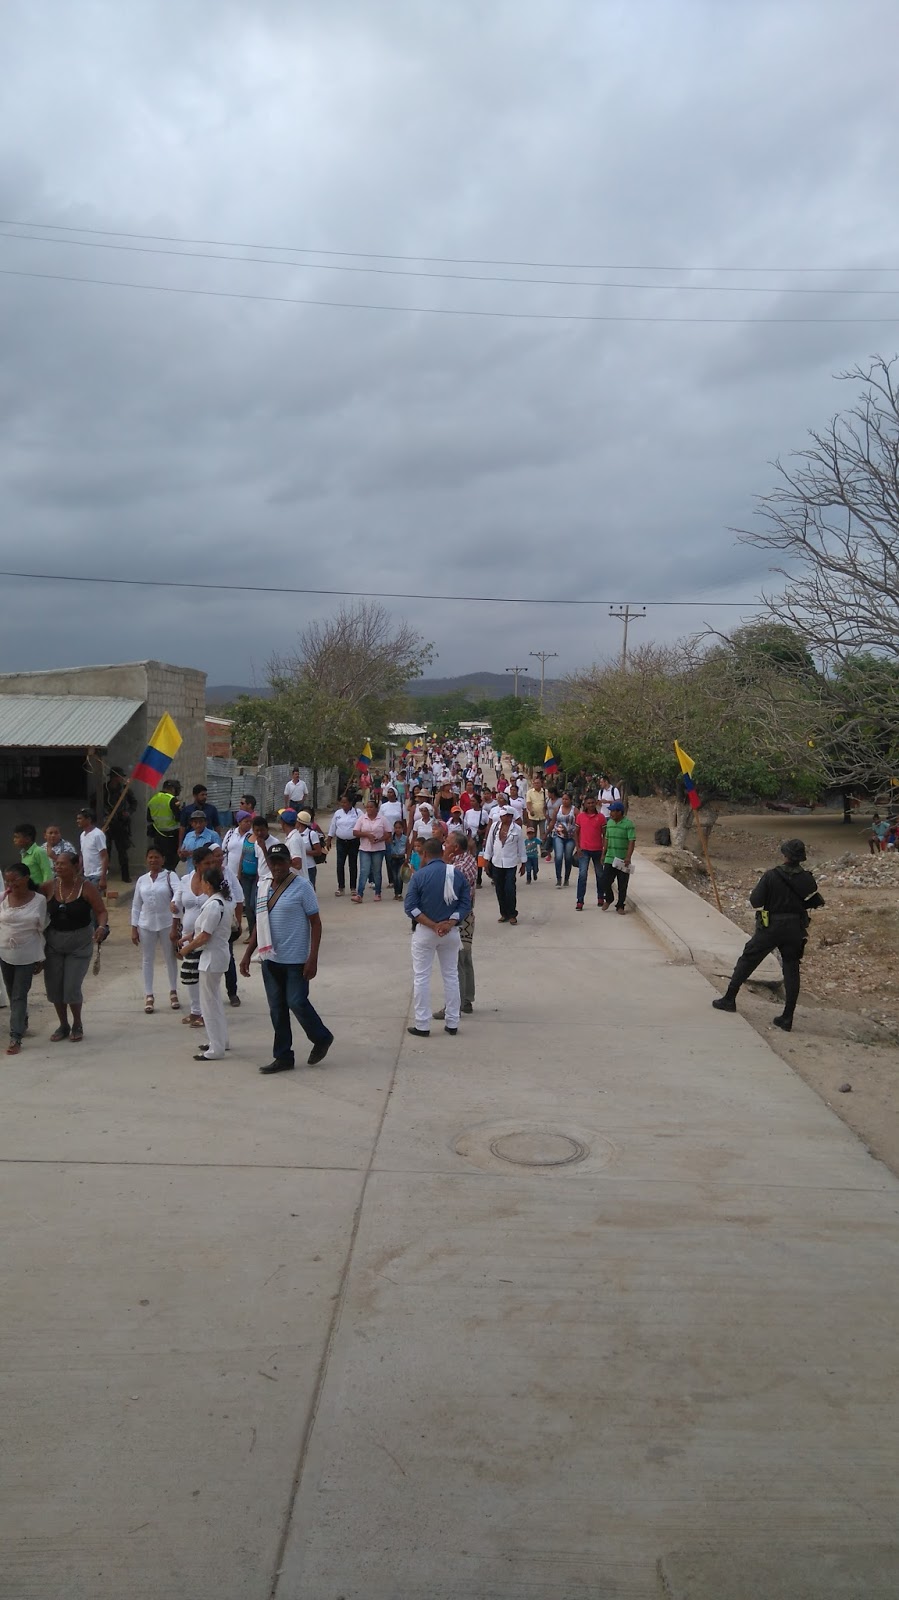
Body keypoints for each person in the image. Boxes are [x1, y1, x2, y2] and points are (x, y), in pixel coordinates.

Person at [239, 842, 333, 1074]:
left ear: (289, 862)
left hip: (296, 960)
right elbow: (260, 923)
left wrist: (313, 958)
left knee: (296, 1001)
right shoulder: (263, 887)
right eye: (273, 862)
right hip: (270, 959)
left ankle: (321, 1037)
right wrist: (248, 954)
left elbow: (316, 923)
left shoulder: (302, 887)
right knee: (277, 1009)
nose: (277, 867)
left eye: (281, 861)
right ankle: (283, 1056)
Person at [712, 839, 825, 1031]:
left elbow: (756, 901)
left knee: (749, 958)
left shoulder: (772, 876)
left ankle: (729, 998)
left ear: (785, 855)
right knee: (791, 969)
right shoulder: (807, 879)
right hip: (795, 928)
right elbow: (811, 898)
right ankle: (787, 1017)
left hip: (771, 926)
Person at [404, 836, 472, 1036]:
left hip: (426, 931)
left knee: (422, 977)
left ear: (424, 854)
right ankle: (452, 1022)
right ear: (442, 852)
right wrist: (450, 922)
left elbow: (410, 908)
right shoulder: (456, 874)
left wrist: (433, 925)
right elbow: (465, 904)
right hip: (450, 931)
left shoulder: (420, 876)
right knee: (451, 976)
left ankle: (422, 1024)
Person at [37, 851, 108, 1042]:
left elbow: (101, 911)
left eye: (63, 864)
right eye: (57, 864)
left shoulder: (87, 887)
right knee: (54, 987)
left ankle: (77, 1023)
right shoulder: (49, 886)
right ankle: (63, 1025)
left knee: (71, 986)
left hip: (79, 943)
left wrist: (101, 927)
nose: (58, 867)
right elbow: (29, 897)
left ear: (75, 866)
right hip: (53, 942)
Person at [179, 865, 233, 1061]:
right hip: (216, 955)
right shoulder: (221, 902)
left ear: (208, 884)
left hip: (212, 957)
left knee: (208, 1004)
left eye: (202, 881)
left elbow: (205, 936)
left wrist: (186, 949)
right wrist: (189, 937)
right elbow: (204, 931)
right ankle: (220, 1041)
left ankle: (215, 1048)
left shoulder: (213, 905)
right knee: (214, 1000)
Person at [0, 862, 48, 1055]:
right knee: (11, 992)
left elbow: (42, 929)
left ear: (26, 878)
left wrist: (41, 957)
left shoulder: (39, 900)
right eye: (7, 881)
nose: (11, 884)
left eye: (15, 880)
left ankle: (16, 1036)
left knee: (19, 994)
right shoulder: (3, 898)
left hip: (27, 954)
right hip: (5, 953)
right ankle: (22, 1020)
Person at [433, 831, 478, 1019]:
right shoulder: (467, 860)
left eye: (448, 842)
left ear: (456, 847)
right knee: (464, 958)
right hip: (466, 917)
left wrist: (443, 861)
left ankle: (454, 1005)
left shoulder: (457, 868)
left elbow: (442, 884)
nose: (445, 843)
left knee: (455, 962)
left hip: (457, 918)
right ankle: (466, 999)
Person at [131, 846, 180, 1014]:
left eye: (156, 857)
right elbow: (136, 905)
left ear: (163, 860)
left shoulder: (170, 876)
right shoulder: (142, 880)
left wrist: (174, 905)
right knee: (147, 958)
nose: (153, 860)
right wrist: (134, 927)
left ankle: (173, 991)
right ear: (146, 860)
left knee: (170, 957)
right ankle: (149, 994)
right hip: (146, 923)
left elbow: (178, 892)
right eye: (150, 857)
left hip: (167, 923)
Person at [171, 843, 215, 1029]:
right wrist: (174, 926)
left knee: (205, 976)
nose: (211, 866)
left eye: (212, 862)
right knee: (190, 974)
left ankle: (206, 1014)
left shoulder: (215, 881)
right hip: (187, 935)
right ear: (196, 864)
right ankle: (195, 1010)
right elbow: (177, 902)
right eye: (207, 863)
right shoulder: (185, 880)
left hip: (206, 936)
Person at [207, 843, 245, 1007]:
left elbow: (239, 898)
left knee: (228, 957)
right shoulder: (202, 876)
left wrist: (238, 922)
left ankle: (232, 992)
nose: (220, 858)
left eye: (221, 854)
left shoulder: (228, 873)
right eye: (216, 855)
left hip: (224, 923)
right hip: (206, 922)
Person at [484, 806, 527, 925]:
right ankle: (504, 913)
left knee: (510, 889)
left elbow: (521, 847)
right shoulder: (495, 827)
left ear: (510, 817)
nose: (501, 817)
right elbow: (489, 843)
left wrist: (523, 863)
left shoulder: (517, 829)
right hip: (497, 862)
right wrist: (486, 860)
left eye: (503, 816)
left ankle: (512, 913)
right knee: (499, 889)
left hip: (510, 863)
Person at [98, 767, 137, 882]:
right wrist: (104, 815)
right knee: (106, 850)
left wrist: (128, 813)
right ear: (114, 777)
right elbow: (95, 803)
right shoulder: (104, 789)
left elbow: (134, 803)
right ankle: (104, 875)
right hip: (108, 824)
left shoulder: (125, 789)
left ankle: (125, 876)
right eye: (120, 776)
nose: (121, 779)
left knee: (122, 852)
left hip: (121, 824)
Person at [598, 799, 636, 913]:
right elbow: (606, 839)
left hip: (622, 859)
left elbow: (631, 841)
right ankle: (609, 898)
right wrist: (603, 853)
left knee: (622, 884)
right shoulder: (609, 823)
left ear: (619, 812)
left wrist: (628, 857)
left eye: (613, 811)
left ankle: (620, 905)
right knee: (604, 880)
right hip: (610, 857)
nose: (611, 813)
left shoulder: (628, 824)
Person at [352, 800, 392, 902]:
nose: (369, 809)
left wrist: (380, 839)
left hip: (378, 849)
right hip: (365, 848)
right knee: (364, 871)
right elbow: (355, 832)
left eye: (371, 807)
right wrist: (367, 835)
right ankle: (359, 894)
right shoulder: (362, 818)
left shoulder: (382, 819)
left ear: (376, 809)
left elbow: (388, 833)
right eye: (367, 807)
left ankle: (378, 893)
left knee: (376, 871)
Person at [574, 795, 607, 910]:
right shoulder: (580, 817)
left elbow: (605, 834)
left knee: (600, 874)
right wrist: (578, 847)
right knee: (582, 874)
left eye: (592, 803)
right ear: (585, 804)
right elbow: (576, 832)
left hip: (598, 850)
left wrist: (604, 849)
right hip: (584, 850)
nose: (591, 805)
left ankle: (600, 897)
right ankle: (580, 901)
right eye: (588, 803)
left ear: (595, 803)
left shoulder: (601, 817)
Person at [327, 794, 363, 897]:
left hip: (353, 842)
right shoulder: (338, 813)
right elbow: (333, 826)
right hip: (341, 842)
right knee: (340, 864)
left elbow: (363, 825)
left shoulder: (357, 813)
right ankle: (341, 887)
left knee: (352, 864)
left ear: (350, 803)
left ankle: (353, 887)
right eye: (341, 802)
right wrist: (329, 839)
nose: (343, 804)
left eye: (345, 802)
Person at [146, 779, 181, 870]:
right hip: (171, 837)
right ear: (172, 789)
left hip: (158, 835)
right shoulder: (172, 800)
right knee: (171, 863)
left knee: (160, 861)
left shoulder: (153, 799)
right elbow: (179, 818)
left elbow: (149, 818)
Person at [177, 784, 221, 850]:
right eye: (202, 795)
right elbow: (182, 828)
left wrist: (218, 840)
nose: (205, 797)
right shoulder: (187, 810)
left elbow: (217, 826)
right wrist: (180, 845)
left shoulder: (211, 809)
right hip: (192, 841)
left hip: (207, 840)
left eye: (206, 795)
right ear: (195, 796)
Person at [550, 793, 578, 887]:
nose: (564, 801)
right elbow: (553, 822)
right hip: (558, 836)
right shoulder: (558, 809)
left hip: (570, 837)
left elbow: (579, 825)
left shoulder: (575, 811)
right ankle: (558, 878)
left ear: (571, 800)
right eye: (563, 799)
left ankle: (566, 878)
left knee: (568, 857)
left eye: (566, 799)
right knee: (558, 856)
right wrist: (546, 833)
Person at [76, 809, 108, 891]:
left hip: (97, 875)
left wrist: (103, 878)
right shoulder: (82, 835)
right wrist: (80, 870)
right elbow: (82, 854)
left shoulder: (98, 834)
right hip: (86, 875)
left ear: (89, 819)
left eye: (80, 818)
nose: (77, 821)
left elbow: (104, 856)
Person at [386, 819, 409, 900]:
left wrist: (407, 858)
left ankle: (399, 893)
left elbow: (408, 848)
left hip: (401, 858)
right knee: (395, 877)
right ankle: (396, 893)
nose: (397, 829)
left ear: (402, 829)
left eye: (399, 828)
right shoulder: (391, 838)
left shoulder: (405, 838)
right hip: (393, 858)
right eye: (396, 828)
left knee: (400, 876)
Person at [526, 775, 547, 840]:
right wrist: (530, 810)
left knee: (543, 834)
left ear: (541, 784)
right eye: (535, 783)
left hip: (543, 817)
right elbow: (528, 803)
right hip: (533, 817)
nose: (536, 784)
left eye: (538, 783)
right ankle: (533, 846)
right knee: (532, 834)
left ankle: (542, 846)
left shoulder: (545, 792)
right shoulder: (529, 792)